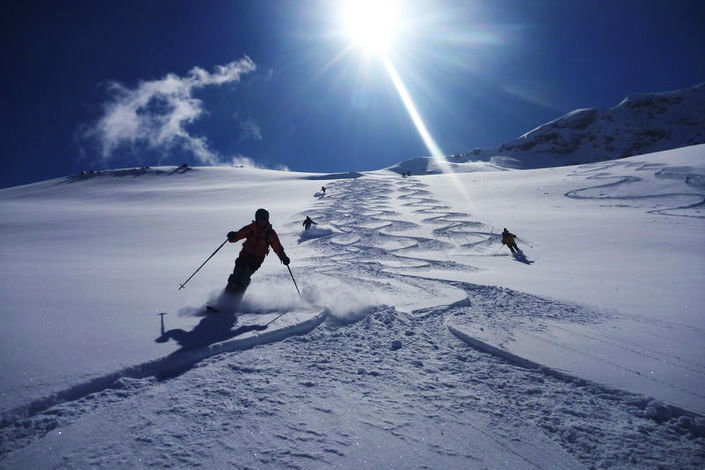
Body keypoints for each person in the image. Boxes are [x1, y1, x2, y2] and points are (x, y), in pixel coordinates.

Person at [225, 208, 290, 296]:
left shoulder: (270, 233)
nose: (261, 221)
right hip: (244, 255)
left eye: (264, 219)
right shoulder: (251, 228)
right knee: (236, 275)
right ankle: (225, 297)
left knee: (244, 276)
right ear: (256, 219)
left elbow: (277, 246)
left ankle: (236, 299)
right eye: (259, 219)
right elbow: (239, 235)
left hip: (256, 259)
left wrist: (283, 257)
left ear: (267, 219)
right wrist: (233, 236)